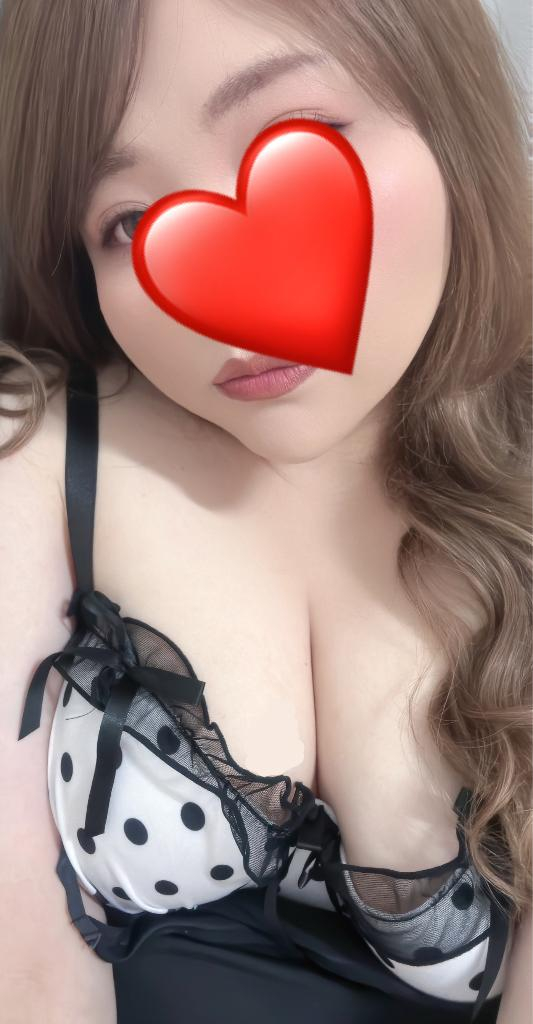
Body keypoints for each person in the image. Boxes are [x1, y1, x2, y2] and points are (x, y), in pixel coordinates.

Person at [0, 1, 531, 1022]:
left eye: (296, 141)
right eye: (129, 222)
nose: (222, 297)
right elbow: (23, 972)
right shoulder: (32, 457)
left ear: (445, 115)